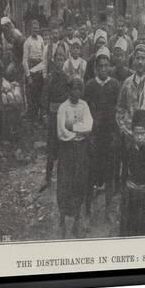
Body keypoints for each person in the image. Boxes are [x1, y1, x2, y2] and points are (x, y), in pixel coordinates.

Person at [84, 47, 120, 221]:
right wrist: (89, 136)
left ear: (110, 67)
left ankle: (108, 211)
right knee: (91, 175)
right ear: (96, 68)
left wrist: (115, 135)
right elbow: (84, 112)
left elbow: (119, 111)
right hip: (94, 137)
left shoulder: (114, 85)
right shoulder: (90, 85)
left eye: (106, 65)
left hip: (109, 136)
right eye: (100, 66)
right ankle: (88, 211)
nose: (104, 69)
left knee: (109, 175)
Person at [57, 78, 93, 238]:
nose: (76, 92)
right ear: (68, 90)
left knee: (79, 182)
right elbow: (61, 132)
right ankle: (62, 220)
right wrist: (78, 132)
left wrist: (72, 127)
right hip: (67, 149)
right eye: (73, 89)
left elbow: (89, 126)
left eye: (79, 89)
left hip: (81, 150)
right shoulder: (63, 107)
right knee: (65, 183)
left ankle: (77, 220)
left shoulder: (84, 105)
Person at [119, 109, 145, 236]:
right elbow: (124, 173)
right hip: (131, 195)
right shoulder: (128, 150)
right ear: (132, 133)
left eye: (142, 133)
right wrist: (124, 191)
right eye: (136, 133)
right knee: (128, 229)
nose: (139, 137)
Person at [39, 48, 70, 192]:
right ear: (53, 59)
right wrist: (45, 114)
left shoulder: (66, 77)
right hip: (52, 115)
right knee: (51, 146)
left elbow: (70, 97)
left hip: (63, 116)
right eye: (57, 58)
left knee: (63, 144)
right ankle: (47, 177)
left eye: (62, 58)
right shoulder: (50, 78)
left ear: (64, 60)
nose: (59, 61)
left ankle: (63, 177)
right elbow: (45, 96)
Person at [22, 20, 45, 123]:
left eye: (37, 28)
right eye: (33, 28)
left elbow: (44, 56)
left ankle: (40, 118)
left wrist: (44, 71)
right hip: (32, 71)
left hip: (40, 69)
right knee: (32, 96)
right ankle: (32, 119)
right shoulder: (27, 42)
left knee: (41, 95)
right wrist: (28, 76)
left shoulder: (41, 39)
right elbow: (24, 61)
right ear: (30, 29)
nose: (35, 30)